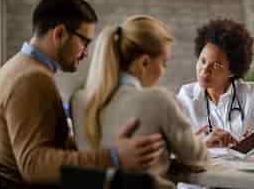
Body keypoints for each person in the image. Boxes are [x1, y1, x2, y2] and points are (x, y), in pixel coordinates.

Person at [0, 0, 165, 188]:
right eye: (85, 42)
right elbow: (34, 165)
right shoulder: (32, 79)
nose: (86, 53)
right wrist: (114, 156)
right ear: (59, 33)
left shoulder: (16, 66)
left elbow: (46, 144)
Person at [84, 15, 209, 189]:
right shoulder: (157, 99)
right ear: (144, 62)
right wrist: (196, 141)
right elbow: (198, 158)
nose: (163, 71)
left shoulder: (84, 103)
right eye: (164, 63)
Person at [177, 19, 254, 148]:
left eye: (216, 65)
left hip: (246, 167)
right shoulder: (186, 97)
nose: (205, 71)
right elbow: (174, 149)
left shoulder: (251, 94)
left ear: (232, 71)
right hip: (208, 168)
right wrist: (202, 144)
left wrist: (253, 142)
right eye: (203, 61)